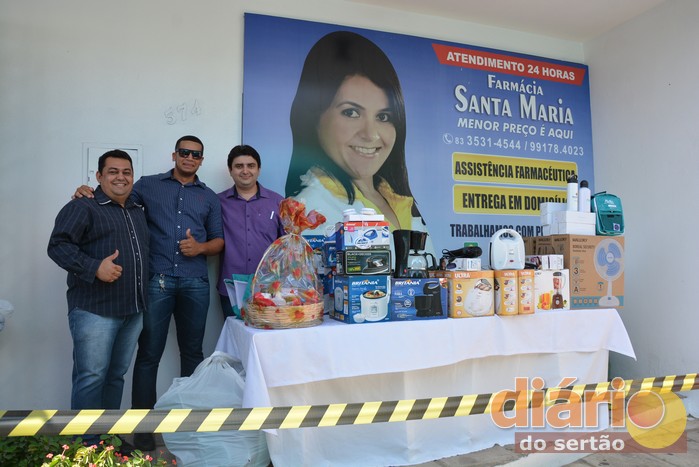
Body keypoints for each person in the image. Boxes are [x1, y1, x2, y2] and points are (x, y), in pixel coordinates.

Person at [73, 135, 223, 451]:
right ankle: (143, 429)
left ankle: (187, 427)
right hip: (156, 281)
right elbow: (115, 195)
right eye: (184, 152)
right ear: (174, 155)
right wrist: (86, 191)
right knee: (148, 355)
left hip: (195, 282)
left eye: (196, 154)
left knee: (193, 354)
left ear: (201, 160)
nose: (189, 157)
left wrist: (200, 248)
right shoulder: (147, 185)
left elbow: (218, 240)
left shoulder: (209, 197)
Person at [284, 30, 434, 255]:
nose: (371, 134)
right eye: (351, 112)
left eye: (383, 116)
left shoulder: (398, 200)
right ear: (313, 119)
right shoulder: (309, 211)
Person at [48, 150, 148, 452]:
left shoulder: (137, 207)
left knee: (115, 377)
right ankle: (86, 446)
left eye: (126, 172)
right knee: (91, 378)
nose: (121, 177)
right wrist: (94, 268)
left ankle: (107, 440)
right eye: (113, 171)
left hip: (132, 309)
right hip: (95, 310)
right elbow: (57, 245)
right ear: (99, 176)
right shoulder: (83, 206)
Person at [217, 144, 285, 318]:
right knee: (234, 332)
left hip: (269, 286)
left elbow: (287, 245)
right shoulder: (217, 202)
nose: (245, 171)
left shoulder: (278, 202)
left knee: (266, 333)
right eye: (239, 166)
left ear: (258, 170)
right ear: (230, 170)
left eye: (251, 165)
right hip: (231, 285)